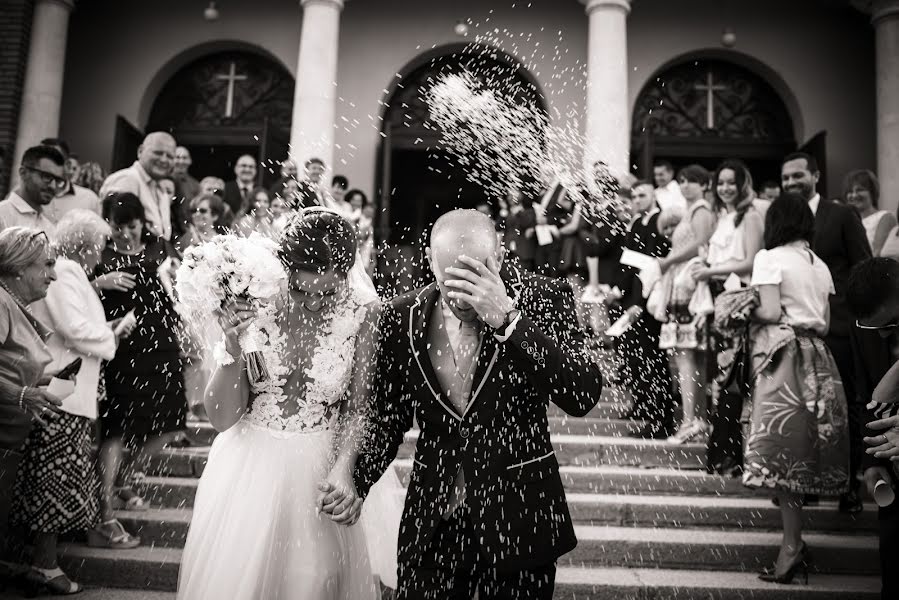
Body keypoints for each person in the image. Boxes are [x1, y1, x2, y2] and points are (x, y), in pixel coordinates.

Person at [350, 209, 602, 599]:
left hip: (520, 524)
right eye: (450, 278)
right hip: (431, 528)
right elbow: (388, 418)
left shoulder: (543, 298)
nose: (461, 294)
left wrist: (509, 322)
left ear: (498, 258)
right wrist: (356, 481)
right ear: (431, 260)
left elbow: (582, 393)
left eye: (475, 273)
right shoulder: (400, 316)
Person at [178, 209, 402, 599]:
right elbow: (221, 417)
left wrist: (346, 468)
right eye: (301, 291)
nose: (314, 303)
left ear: (348, 274)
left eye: (328, 293)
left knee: (315, 580)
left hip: (319, 469)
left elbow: (358, 407)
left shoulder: (364, 313)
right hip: (249, 468)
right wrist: (232, 347)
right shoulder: (254, 304)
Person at [11, 211, 138, 597]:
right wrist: (110, 339)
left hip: (72, 392)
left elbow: (82, 327)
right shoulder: (66, 271)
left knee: (60, 480)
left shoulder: (71, 272)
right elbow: (73, 327)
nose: (101, 256)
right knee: (51, 481)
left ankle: (44, 562)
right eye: (99, 247)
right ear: (84, 246)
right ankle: (43, 565)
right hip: (60, 393)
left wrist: (109, 331)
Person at [742, 192, 850, 584]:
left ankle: (792, 545)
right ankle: (792, 542)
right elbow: (822, 316)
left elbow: (770, 311)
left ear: (775, 223)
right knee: (804, 453)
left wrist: (738, 306)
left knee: (785, 456)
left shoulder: (769, 258)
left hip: (784, 355)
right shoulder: (819, 264)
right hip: (819, 357)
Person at [782, 152, 871, 513]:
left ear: (816, 176)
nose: (791, 183)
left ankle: (849, 485)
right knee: (805, 411)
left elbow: (863, 267)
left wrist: (849, 316)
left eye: (798, 175)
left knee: (845, 406)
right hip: (798, 333)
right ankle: (808, 483)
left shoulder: (841, 215)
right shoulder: (786, 222)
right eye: (786, 178)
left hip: (839, 328)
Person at [95, 192, 186, 516]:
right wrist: (98, 282)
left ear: (141, 223)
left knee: (171, 423)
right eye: (118, 227)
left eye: (131, 226)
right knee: (117, 426)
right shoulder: (99, 252)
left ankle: (124, 479)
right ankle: (104, 502)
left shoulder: (159, 247)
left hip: (161, 342)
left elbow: (179, 287)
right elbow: (73, 285)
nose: (125, 234)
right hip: (121, 346)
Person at [692, 160, 765, 474]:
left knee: (732, 379)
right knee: (717, 380)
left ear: (742, 184)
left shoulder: (749, 215)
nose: (724, 188)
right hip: (717, 301)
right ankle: (722, 451)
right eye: (720, 182)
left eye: (731, 183)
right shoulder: (720, 217)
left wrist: (709, 269)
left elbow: (750, 262)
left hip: (737, 303)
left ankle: (731, 455)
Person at [0, 228, 63, 586]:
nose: (53, 275)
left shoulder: (11, 302)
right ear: (20, 267)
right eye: (48, 265)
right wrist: (22, 395)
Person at [847, 257, 899, 600]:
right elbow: (865, 395)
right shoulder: (862, 330)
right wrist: (872, 462)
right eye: (874, 328)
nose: (883, 335)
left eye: (892, 323)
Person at [608, 181, 675, 439]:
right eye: (634, 195)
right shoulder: (636, 223)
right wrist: (617, 290)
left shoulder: (661, 220)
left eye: (642, 195)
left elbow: (656, 262)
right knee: (634, 356)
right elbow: (628, 262)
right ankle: (643, 405)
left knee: (653, 359)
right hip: (631, 298)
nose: (636, 199)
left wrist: (640, 301)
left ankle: (661, 418)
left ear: (653, 196)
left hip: (650, 299)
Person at [657, 164, 717, 444]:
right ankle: (697, 420)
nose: (685, 185)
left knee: (688, 357)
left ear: (705, 184)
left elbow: (703, 245)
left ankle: (690, 420)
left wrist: (669, 260)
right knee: (689, 358)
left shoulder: (701, 209)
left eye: (692, 180)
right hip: (683, 286)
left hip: (690, 288)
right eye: (682, 180)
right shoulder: (692, 210)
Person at [100, 131, 176, 240]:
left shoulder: (161, 189)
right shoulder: (127, 179)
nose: (164, 160)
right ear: (140, 151)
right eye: (158, 153)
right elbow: (117, 233)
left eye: (170, 156)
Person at [0, 145, 66, 236]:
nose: (53, 186)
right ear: (23, 173)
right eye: (46, 176)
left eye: (58, 180)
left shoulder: (50, 228)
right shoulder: (3, 215)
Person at [39, 138, 101, 224]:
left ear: (67, 165)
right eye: (40, 159)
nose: (46, 165)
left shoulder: (89, 199)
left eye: (53, 159)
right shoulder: (27, 196)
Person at [843, 169, 896, 258]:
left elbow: (878, 256)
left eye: (860, 190)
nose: (854, 195)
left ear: (872, 192)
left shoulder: (885, 217)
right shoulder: (844, 221)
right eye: (850, 192)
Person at [170, 146, 201, 239]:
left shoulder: (195, 185)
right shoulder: (163, 181)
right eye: (177, 157)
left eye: (184, 158)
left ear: (190, 161)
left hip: (187, 231)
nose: (181, 161)